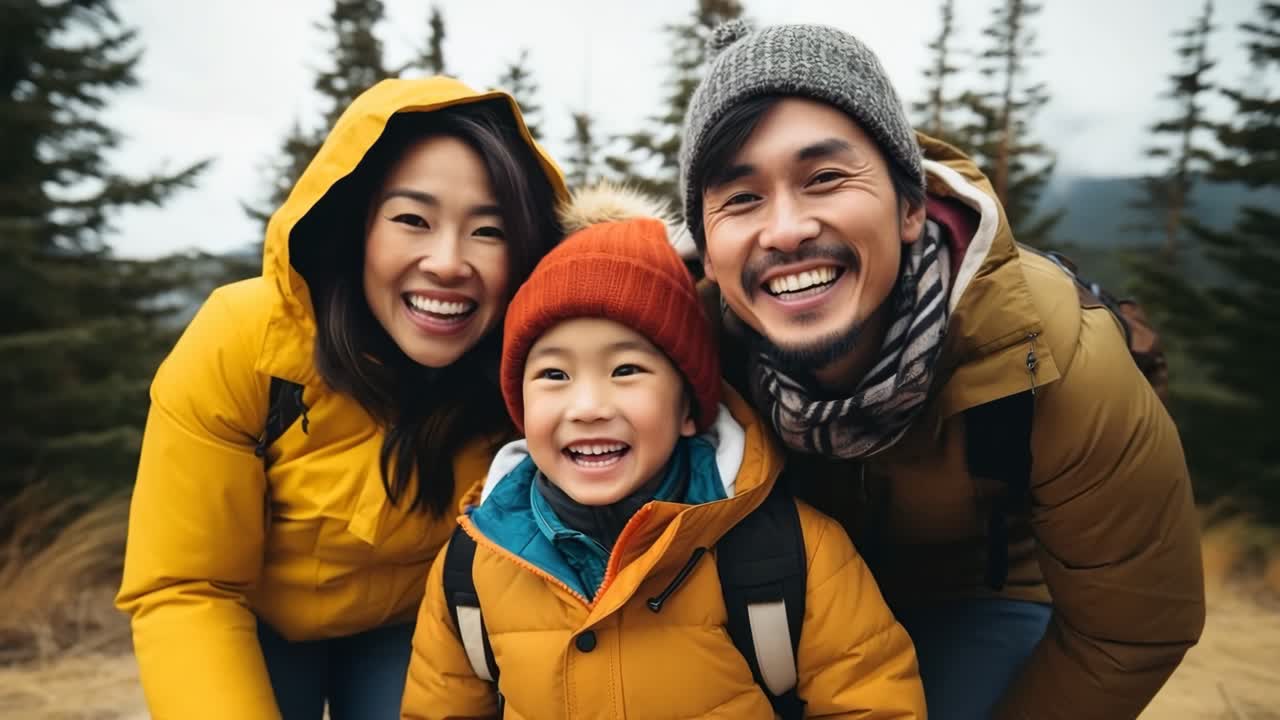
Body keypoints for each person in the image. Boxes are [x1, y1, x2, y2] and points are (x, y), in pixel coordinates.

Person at [678, 21, 1206, 720]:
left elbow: (1134, 627)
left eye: (826, 177)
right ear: (708, 254)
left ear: (910, 206)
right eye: (740, 198)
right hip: (792, 601)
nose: (785, 230)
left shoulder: (1051, 352)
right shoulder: (684, 354)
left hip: (986, 591)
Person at [115, 76, 565, 720]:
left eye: (488, 231)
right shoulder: (246, 342)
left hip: (412, 628)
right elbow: (188, 586)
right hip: (249, 619)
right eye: (412, 219)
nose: (446, 262)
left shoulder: (532, 377)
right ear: (358, 228)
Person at [399, 184, 926, 719]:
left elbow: (873, 702)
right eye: (554, 374)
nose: (587, 406)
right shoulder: (472, 565)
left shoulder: (794, 553)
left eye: (626, 370)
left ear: (688, 408)